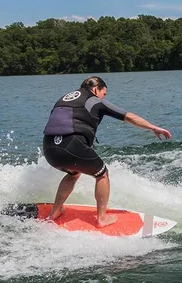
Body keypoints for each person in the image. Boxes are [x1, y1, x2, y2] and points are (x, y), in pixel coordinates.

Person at [41, 76, 172, 227]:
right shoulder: (95, 100)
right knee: (102, 174)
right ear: (96, 89)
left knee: (73, 173)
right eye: (104, 93)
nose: (104, 97)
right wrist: (153, 127)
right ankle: (102, 219)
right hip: (71, 145)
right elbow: (128, 116)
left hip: (50, 149)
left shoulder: (63, 98)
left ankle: (55, 212)